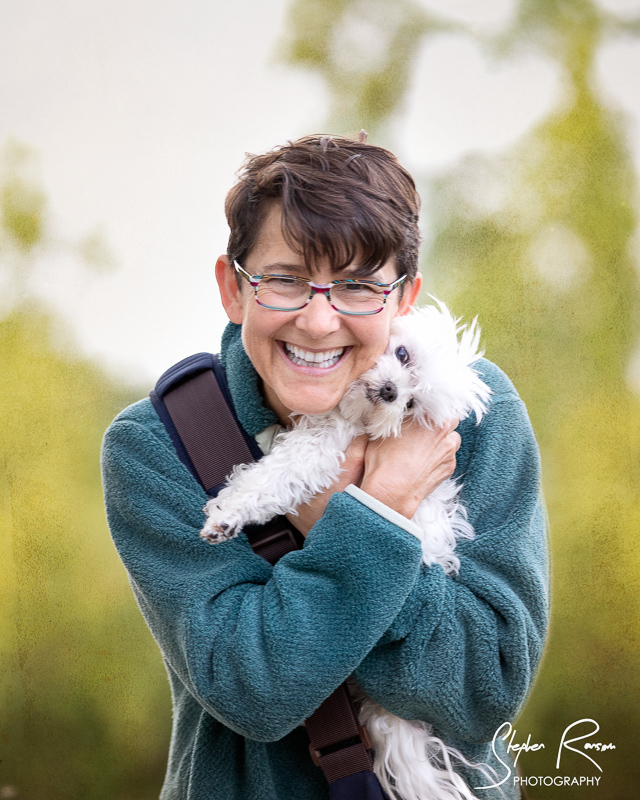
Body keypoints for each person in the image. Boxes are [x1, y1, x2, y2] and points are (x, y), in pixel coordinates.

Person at [101, 133, 549, 800]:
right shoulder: (159, 444)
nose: (318, 321)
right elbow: (251, 688)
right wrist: (376, 515)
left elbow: (484, 690)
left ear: (405, 299)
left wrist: (341, 538)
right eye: (284, 280)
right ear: (233, 289)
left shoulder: (467, 414)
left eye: (359, 285)